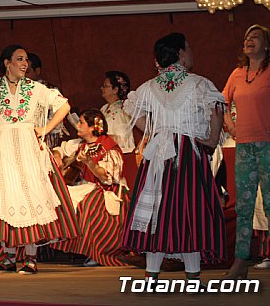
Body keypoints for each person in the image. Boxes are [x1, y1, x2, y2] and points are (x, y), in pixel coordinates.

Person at [0, 45, 79, 275]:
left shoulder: (35, 88)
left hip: (28, 147)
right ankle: (8, 257)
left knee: (30, 194)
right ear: (7, 63)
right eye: (19, 59)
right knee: (5, 196)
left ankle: (31, 258)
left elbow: (64, 106)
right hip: (1, 148)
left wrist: (46, 127)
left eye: (26, 60)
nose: (24, 63)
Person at [121, 32, 225, 283]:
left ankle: (151, 276)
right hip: (187, 150)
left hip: (158, 153)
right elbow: (216, 109)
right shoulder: (198, 83)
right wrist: (211, 140)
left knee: (158, 209)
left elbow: (133, 111)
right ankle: (192, 278)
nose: (191, 52)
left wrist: (157, 128)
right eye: (188, 48)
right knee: (188, 209)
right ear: (180, 53)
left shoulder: (149, 87)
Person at [222, 24, 270, 278]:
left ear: (266, 45)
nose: (249, 40)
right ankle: (240, 261)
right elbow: (222, 100)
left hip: (268, 146)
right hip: (244, 146)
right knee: (244, 204)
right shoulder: (237, 74)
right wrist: (229, 122)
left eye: (255, 37)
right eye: (246, 37)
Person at [53, 109, 129, 267]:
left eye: (81, 122)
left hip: (111, 192)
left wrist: (89, 163)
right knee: (59, 197)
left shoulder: (109, 147)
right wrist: (57, 155)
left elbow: (107, 178)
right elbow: (60, 149)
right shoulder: (81, 145)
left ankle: (98, 251)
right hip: (90, 188)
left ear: (92, 127)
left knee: (90, 205)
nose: (77, 125)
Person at [100, 71, 135, 153]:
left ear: (115, 90)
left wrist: (99, 138)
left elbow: (122, 139)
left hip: (118, 153)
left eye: (105, 86)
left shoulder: (123, 109)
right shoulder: (104, 108)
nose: (102, 88)